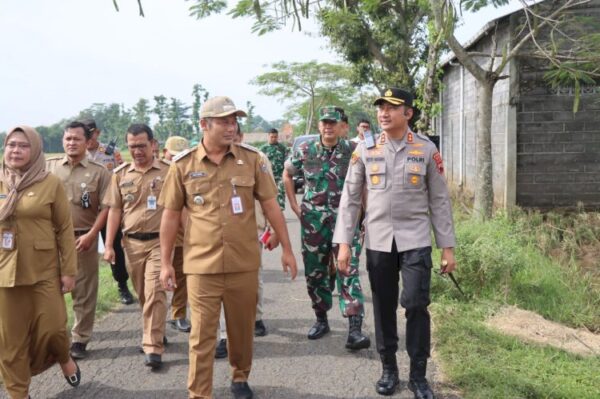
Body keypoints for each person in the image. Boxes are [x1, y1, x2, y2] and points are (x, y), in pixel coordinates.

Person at [158, 96, 297, 399]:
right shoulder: (182, 166)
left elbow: (271, 206)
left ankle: (239, 376)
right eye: (223, 121)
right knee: (201, 335)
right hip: (201, 266)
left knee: (241, 331)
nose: (231, 127)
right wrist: (166, 262)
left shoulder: (253, 160)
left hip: (243, 263)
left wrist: (287, 248)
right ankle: (200, 392)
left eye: (234, 121)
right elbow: (169, 216)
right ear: (203, 125)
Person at [333, 88, 457, 399]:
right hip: (377, 241)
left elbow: (440, 201)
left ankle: (418, 375)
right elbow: (349, 198)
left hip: (414, 239)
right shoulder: (365, 149)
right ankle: (389, 368)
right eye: (380, 107)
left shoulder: (426, 150)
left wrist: (448, 247)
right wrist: (344, 243)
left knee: (416, 303)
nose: (383, 113)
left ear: (408, 113)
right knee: (384, 306)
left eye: (392, 107)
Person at [0, 126, 81, 398]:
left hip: (44, 271)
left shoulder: (49, 183)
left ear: (34, 150)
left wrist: (69, 271)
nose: (16, 150)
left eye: (23, 146)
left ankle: (63, 356)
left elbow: (64, 229)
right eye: (11, 145)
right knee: (10, 343)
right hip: (5, 274)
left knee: (54, 328)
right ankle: (19, 393)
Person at [283, 105, 370, 350]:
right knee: (315, 271)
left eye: (333, 123)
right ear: (319, 125)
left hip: (346, 222)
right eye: (324, 122)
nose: (328, 126)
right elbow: (287, 174)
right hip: (314, 222)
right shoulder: (305, 149)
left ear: (343, 127)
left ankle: (355, 329)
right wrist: (293, 205)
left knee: (348, 269)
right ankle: (321, 319)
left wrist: (365, 213)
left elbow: (365, 182)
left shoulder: (354, 151)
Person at [103, 123, 170, 369]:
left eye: (142, 145)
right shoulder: (120, 174)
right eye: (132, 146)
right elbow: (114, 211)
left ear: (153, 144)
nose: (137, 151)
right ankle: (157, 328)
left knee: (154, 291)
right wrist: (109, 245)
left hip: (159, 243)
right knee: (143, 294)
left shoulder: (168, 171)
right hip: (131, 244)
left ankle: (152, 346)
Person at [46, 121, 112, 360]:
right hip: (50, 240)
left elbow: (106, 207)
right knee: (49, 289)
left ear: (88, 142)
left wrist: (92, 234)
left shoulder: (99, 171)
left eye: (76, 139)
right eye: (68, 139)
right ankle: (54, 337)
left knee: (84, 290)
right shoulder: (49, 167)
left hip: (82, 237)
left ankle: (80, 339)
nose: (71, 143)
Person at [215, 125, 279, 359]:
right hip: (219, 235)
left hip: (252, 231)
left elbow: (270, 197)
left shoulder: (257, 158)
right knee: (223, 286)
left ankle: (257, 317)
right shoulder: (210, 159)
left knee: (253, 280)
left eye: (236, 135)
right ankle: (224, 336)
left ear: (240, 136)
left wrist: (274, 229)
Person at [83, 119, 134, 305]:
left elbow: (122, 174)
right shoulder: (77, 152)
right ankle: (85, 292)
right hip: (85, 210)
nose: (88, 139)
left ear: (97, 132)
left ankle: (122, 286)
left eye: (90, 134)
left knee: (114, 248)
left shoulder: (110, 152)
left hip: (109, 208)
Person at [162, 136, 192, 333]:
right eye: (172, 155)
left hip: (181, 234)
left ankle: (178, 314)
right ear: (164, 152)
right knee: (155, 282)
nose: (175, 159)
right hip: (154, 234)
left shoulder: (187, 170)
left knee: (181, 276)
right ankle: (153, 326)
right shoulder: (155, 171)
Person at [259, 128, 288, 210]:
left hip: (279, 176)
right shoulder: (262, 149)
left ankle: (280, 211)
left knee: (280, 193)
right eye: (272, 137)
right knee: (268, 195)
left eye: (275, 137)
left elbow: (286, 160)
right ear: (268, 136)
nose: (274, 139)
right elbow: (260, 163)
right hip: (268, 176)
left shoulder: (282, 148)